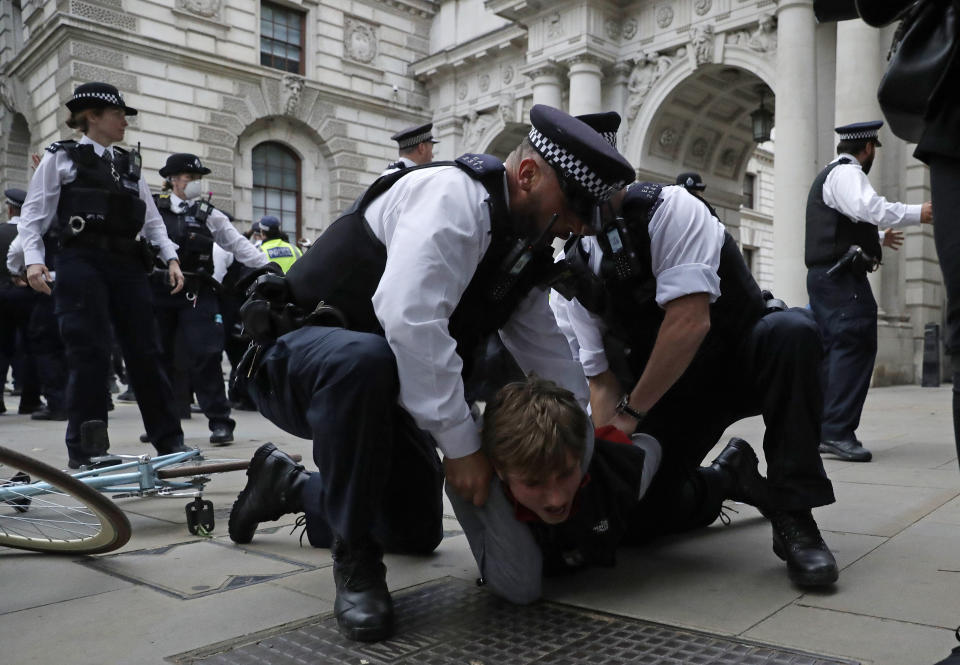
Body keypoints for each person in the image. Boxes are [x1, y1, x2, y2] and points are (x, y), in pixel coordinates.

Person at [226, 105, 635, 642]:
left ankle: (289, 486)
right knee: (363, 361)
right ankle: (356, 562)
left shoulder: (521, 249)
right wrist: (463, 447)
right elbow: (409, 317)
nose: (581, 226)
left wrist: (580, 448)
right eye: (576, 208)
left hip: (380, 394)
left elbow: (550, 359)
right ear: (530, 175)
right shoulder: (452, 198)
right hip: (295, 363)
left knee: (415, 530)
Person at [551, 165, 839, 588]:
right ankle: (728, 477)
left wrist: (630, 415)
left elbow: (689, 322)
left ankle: (794, 514)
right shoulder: (572, 268)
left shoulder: (671, 210)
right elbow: (601, 380)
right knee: (636, 523)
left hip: (739, 361)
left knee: (791, 333)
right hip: (672, 391)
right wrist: (611, 470)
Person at [452, 375, 768, 604]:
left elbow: (652, 444)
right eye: (533, 483)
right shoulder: (494, 486)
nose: (557, 498)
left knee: (659, 510)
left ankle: (729, 472)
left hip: (628, 506)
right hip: (585, 527)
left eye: (565, 474)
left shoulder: (615, 472)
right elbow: (519, 588)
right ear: (500, 472)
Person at [16, 81, 189, 467]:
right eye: (117, 115)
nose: (124, 122)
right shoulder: (61, 158)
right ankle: (88, 450)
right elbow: (33, 217)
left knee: (146, 352)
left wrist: (172, 258)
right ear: (92, 116)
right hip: (81, 262)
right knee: (89, 353)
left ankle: (169, 442)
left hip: (128, 265)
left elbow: (152, 220)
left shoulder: (130, 164)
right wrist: (33, 260)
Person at [805, 121, 933, 462]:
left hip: (827, 277)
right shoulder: (849, 173)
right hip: (841, 279)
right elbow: (869, 208)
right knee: (854, 344)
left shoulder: (832, 174)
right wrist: (916, 212)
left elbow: (841, 226)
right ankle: (836, 431)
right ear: (868, 149)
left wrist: (875, 239)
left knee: (835, 349)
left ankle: (824, 429)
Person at [147, 153, 268, 445]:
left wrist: (266, 266)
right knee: (157, 358)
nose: (194, 185)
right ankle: (163, 424)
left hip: (197, 292)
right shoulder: (153, 209)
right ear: (173, 180)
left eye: (198, 179)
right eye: (189, 178)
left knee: (207, 354)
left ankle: (220, 422)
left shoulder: (209, 214)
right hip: (159, 293)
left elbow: (237, 244)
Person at [0, 187, 43, 415]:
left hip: (1, 295)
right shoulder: (34, 233)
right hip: (28, 294)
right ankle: (31, 400)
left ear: (9, 209)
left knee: (1, 348)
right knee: (30, 347)